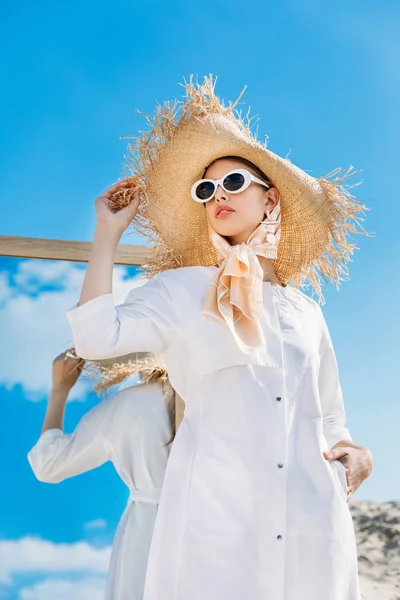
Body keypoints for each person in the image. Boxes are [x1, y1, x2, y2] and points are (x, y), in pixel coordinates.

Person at [66, 77, 373, 600]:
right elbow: (97, 336)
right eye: (205, 190)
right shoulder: (183, 290)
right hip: (213, 521)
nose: (217, 197)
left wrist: (355, 454)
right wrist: (107, 234)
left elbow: (328, 416)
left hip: (310, 519)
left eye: (232, 182)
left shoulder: (307, 313)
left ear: (270, 198)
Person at [28, 349, 174, 600]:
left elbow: (48, 464)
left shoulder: (130, 405)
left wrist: (59, 391)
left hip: (147, 536)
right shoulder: (224, 400)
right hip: (216, 529)